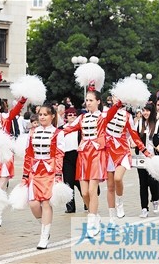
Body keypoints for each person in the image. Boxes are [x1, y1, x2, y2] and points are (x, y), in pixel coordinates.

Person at [63, 86, 116, 237]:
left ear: (98, 101)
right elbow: (68, 129)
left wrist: (118, 103)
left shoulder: (103, 116)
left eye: (91, 100)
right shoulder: (82, 117)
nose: (88, 103)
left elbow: (112, 112)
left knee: (93, 190)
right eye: (86, 100)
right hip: (83, 154)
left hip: (97, 154)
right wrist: (52, 132)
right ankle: (95, 215)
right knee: (84, 192)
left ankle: (92, 223)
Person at [22, 104, 65, 250]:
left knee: (46, 203)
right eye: (40, 114)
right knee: (33, 204)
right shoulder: (32, 132)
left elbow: (59, 154)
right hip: (35, 170)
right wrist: (25, 175)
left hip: (50, 171)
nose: (42, 117)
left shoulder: (58, 133)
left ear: (52, 116)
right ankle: (44, 225)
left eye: (45, 114)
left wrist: (58, 174)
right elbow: (28, 155)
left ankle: (44, 235)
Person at [105, 97, 151, 227]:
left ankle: (120, 202)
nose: (117, 99)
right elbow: (107, 118)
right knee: (110, 186)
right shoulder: (105, 113)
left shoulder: (127, 116)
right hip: (108, 151)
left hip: (122, 150)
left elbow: (134, 134)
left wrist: (145, 151)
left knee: (118, 179)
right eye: (115, 97)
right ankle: (112, 217)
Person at [0, 95, 27, 227]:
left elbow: (16, 109)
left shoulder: (6, 118)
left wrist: (23, 98)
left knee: (0, 186)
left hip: (4, 156)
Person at [135, 103, 159, 217]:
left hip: (154, 158)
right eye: (143, 110)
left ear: (152, 111)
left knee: (153, 181)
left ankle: (155, 200)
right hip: (141, 157)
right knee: (142, 184)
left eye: (148, 110)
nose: (145, 113)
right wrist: (131, 143)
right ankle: (144, 208)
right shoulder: (139, 123)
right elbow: (133, 137)